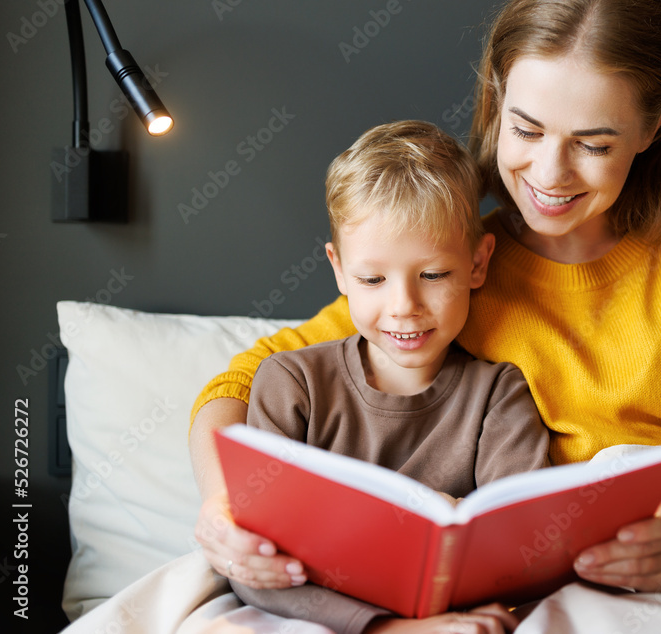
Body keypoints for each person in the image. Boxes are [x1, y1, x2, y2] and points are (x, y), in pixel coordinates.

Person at [190, 0, 661, 609]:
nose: (550, 173)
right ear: (494, 104)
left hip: (657, 564)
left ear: (654, 129)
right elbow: (241, 381)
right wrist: (224, 508)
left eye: (594, 145)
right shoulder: (450, 267)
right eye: (526, 129)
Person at [228, 119, 550, 633]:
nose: (404, 307)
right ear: (339, 270)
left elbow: (522, 543)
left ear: (478, 262)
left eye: (434, 275)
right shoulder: (292, 383)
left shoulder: (498, 393)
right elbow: (254, 565)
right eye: (372, 279)